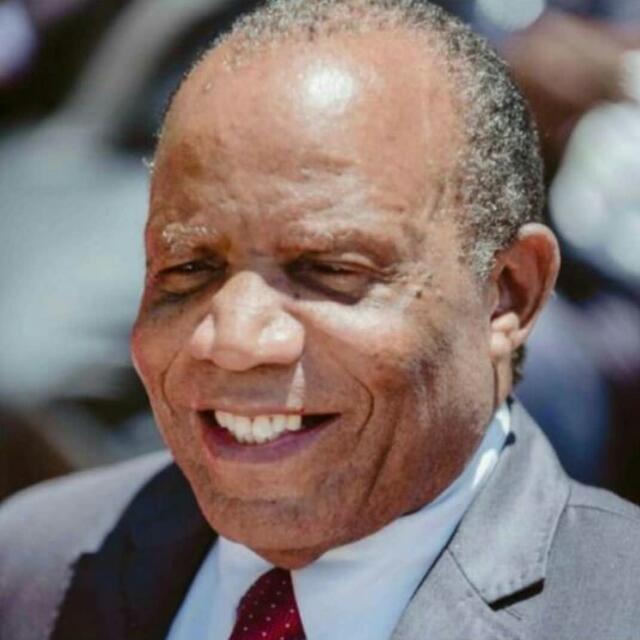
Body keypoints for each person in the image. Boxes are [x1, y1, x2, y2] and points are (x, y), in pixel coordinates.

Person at [1, 1, 640, 639]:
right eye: (189, 267)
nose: (235, 338)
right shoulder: (31, 570)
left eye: (330, 270)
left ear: (508, 294)